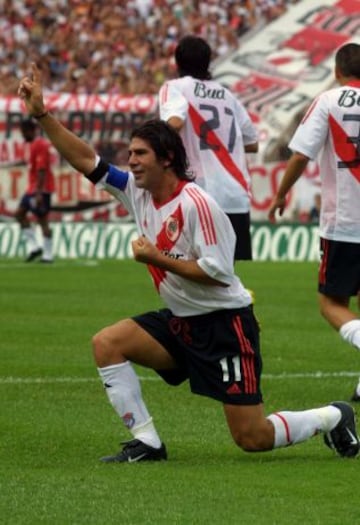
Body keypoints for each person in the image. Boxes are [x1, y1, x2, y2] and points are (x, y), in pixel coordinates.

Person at [18, 62, 360, 463]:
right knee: (107, 343)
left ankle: (334, 415)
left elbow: (218, 274)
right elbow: (86, 161)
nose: (131, 162)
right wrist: (42, 114)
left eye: (140, 154)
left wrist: (155, 257)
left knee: (252, 437)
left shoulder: (200, 205)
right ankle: (147, 442)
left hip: (225, 326)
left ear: (166, 158)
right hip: (181, 322)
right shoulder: (137, 192)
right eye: (130, 153)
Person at [268, 42, 360, 402]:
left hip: (345, 223)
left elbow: (301, 154)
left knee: (331, 304)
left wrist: (280, 194)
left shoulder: (328, 101)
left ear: (337, 72)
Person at [158, 35, 258, 261]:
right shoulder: (227, 95)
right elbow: (252, 143)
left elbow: (174, 122)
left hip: (197, 194)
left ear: (178, 63)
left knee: (191, 269)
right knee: (231, 277)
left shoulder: (174, 88)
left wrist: (151, 143)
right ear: (208, 62)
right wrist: (220, 148)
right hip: (235, 194)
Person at [15, 118, 55, 262]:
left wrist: (38, 193)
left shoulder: (41, 145)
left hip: (41, 190)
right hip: (32, 189)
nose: (22, 135)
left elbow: (42, 170)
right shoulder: (33, 145)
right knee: (19, 214)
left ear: (31, 131)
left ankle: (48, 255)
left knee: (42, 220)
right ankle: (34, 247)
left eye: (24, 133)